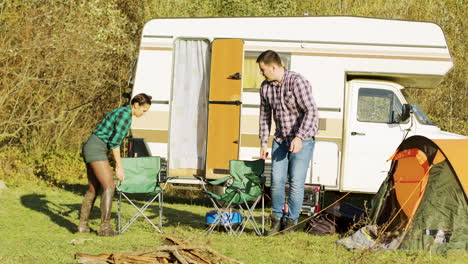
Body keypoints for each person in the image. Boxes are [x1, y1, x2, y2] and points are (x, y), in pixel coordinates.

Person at [257, 50, 319, 235]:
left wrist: (299, 137)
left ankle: (290, 223)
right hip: (280, 139)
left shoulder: (297, 82)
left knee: (296, 182)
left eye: (263, 69)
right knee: (276, 180)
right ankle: (276, 220)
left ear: (274, 67)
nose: (261, 73)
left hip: (303, 139)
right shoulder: (265, 87)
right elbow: (264, 116)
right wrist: (263, 142)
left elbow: (311, 112)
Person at [77, 93, 152, 236]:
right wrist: (119, 167)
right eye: (144, 110)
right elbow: (115, 143)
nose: (144, 114)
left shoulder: (122, 111)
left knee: (94, 188)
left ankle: (83, 226)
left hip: (91, 146)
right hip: (96, 148)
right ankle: (105, 228)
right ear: (136, 105)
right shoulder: (125, 116)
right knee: (110, 186)